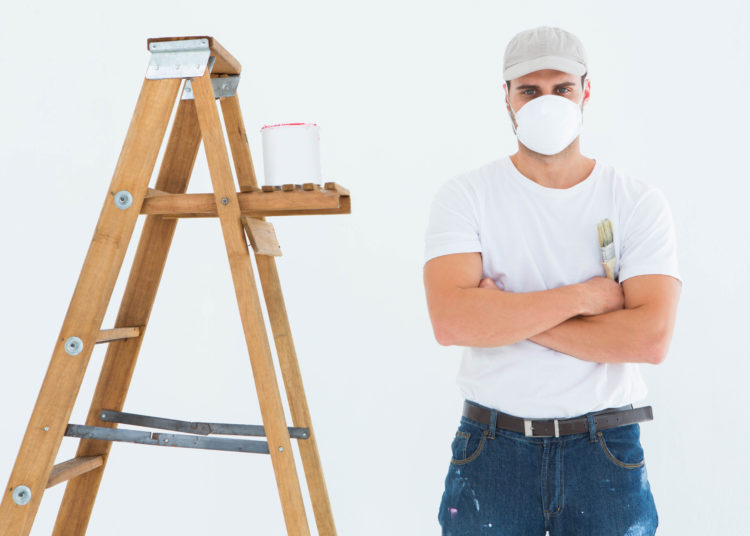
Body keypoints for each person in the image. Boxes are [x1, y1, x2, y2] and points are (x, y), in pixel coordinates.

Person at [422, 26, 682, 535]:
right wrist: (585, 297)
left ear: (586, 91)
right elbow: (452, 321)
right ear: (507, 98)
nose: (547, 103)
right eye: (529, 90)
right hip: (492, 447)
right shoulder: (466, 196)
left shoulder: (636, 201)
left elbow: (649, 339)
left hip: (605, 449)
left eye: (561, 88)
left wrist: (505, 316)